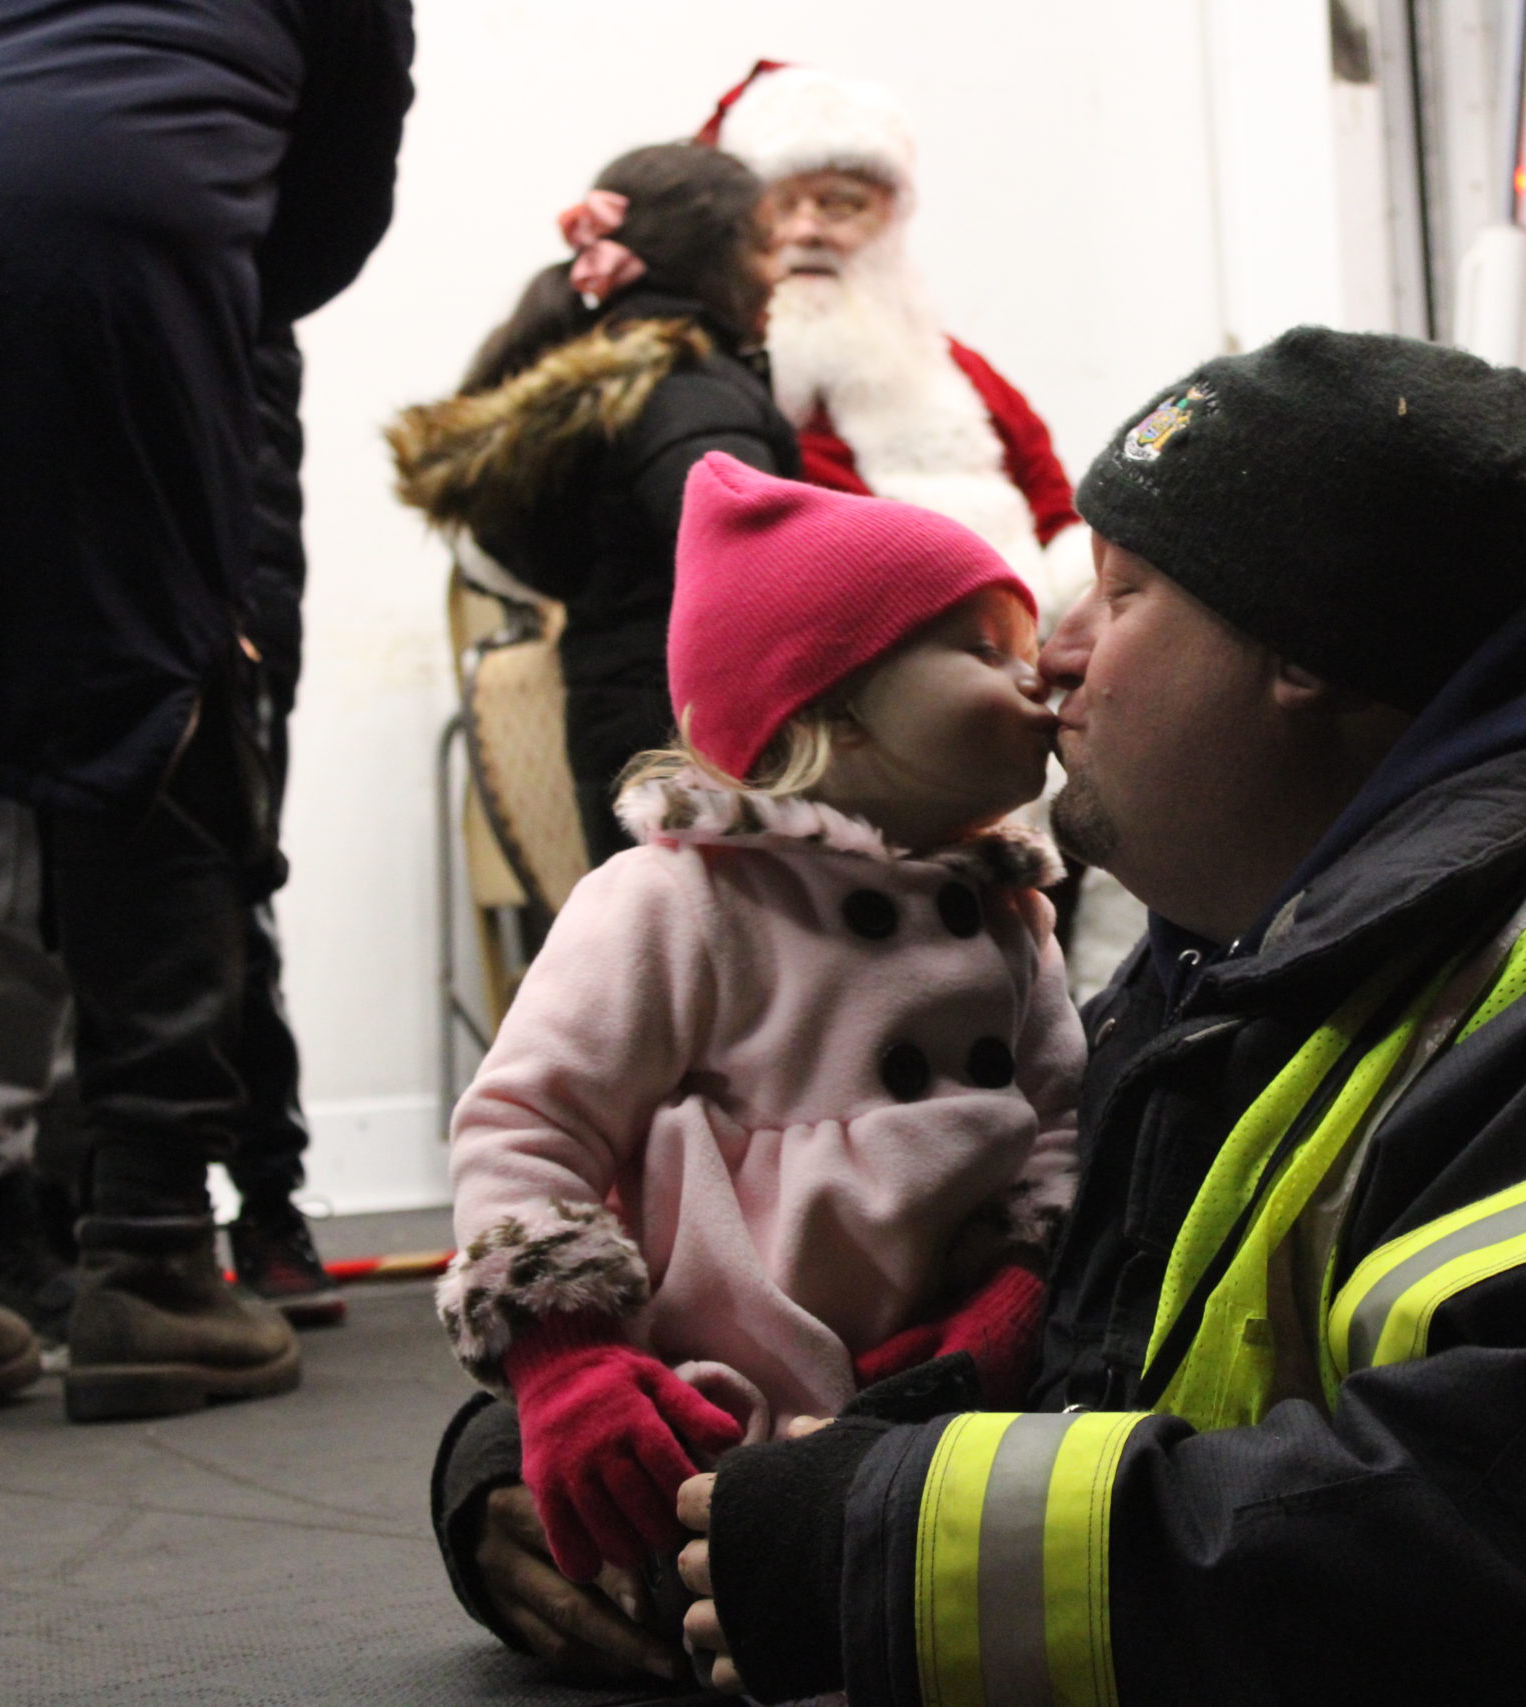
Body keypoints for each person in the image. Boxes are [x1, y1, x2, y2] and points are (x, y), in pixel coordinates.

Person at [434, 328, 1526, 1703]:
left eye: (1119, 594)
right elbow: (999, 1349)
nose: (1052, 659)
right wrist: (556, 1459)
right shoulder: (1224, 987)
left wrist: (890, 1546)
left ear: (1304, 651)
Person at [0, 0, 412, 1431]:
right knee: (152, 691)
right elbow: (328, 207)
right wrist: (197, 287)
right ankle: (153, 1257)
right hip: (112, 216)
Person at [435, 453, 1080, 1622]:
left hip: (948, 1397)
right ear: (828, 704)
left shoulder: (1010, 915)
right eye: (982, 650)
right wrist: (565, 1363)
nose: (1035, 678)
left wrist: (1015, 1301)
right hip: (712, 1394)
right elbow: (528, 1123)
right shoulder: (675, 899)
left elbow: (1056, 1132)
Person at [0, 326, 347, 1342]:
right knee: (11, 901)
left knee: (113, 907)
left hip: (122, 602)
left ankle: (79, 1217)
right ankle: (2, 1215)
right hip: (75, 595)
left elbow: (255, 461)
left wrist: (258, 636)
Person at [390, 144, 800, 865]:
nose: (780, 271)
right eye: (768, 247)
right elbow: (766, 578)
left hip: (627, 727)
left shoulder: (619, 378)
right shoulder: (692, 392)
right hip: (697, 745)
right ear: (717, 258)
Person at [698, 63, 1084, 613]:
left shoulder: (962, 373)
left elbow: (1056, 515)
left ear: (891, 220)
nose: (808, 230)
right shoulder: (715, 383)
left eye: (841, 203)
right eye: (780, 206)